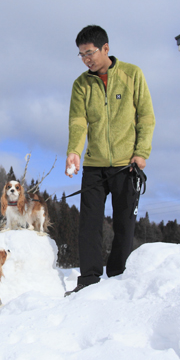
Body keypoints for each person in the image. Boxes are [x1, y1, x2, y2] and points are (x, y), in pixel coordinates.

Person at [64, 25, 155, 296]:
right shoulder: (81, 84)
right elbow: (78, 121)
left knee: (124, 223)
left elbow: (146, 117)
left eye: (89, 53)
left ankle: (117, 275)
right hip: (94, 164)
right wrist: (74, 152)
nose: (86, 59)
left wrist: (141, 153)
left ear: (106, 48)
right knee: (89, 224)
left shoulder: (132, 74)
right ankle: (89, 279)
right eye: (81, 55)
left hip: (127, 164)